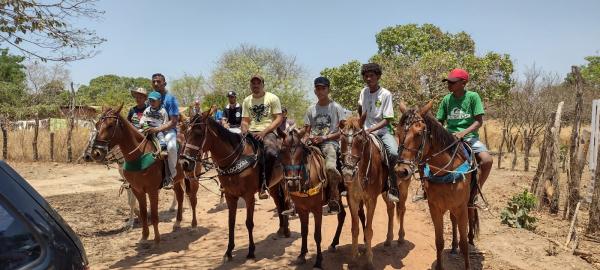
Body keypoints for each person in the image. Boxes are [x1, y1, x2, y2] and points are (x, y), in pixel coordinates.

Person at [414, 68, 493, 207]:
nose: (449, 85)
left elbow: (478, 122)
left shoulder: (473, 97)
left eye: (452, 82)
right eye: (448, 82)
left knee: (487, 160)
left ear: (463, 83)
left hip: (469, 138)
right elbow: (440, 121)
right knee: (423, 156)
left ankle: (475, 192)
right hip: (448, 138)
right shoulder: (446, 99)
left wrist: (463, 132)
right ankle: (424, 188)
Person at [357, 63, 400, 203]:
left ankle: (393, 187)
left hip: (381, 131)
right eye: (366, 76)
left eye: (372, 76)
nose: (368, 78)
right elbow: (360, 109)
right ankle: (348, 184)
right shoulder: (363, 92)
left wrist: (371, 129)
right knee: (348, 148)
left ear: (378, 76)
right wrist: (361, 126)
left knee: (393, 152)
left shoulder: (386, 94)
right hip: (365, 130)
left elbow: (388, 119)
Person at [302, 76, 345, 214]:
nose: (320, 91)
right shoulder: (310, 109)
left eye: (323, 88)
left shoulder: (336, 107)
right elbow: (307, 131)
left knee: (331, 167)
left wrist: (324, 137)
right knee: (293, 161)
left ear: (328, 89)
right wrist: (306, 139)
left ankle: (334, 196)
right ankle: (293, 198)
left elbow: (342, 131)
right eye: (318, 88)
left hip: (330, 142)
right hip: (313, 142)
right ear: (315, 91)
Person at [241, 75, 283, 200]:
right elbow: (245, 120)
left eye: (258, 83)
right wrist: (245, 131)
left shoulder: (272, 98)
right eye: (253, 83)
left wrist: (264, 132)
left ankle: (265, 185)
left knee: (270, 153)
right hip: (251, 132)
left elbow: (279, 118)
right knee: (234, 150)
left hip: (268, 132)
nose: (255, 85)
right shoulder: (247, 100)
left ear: (263, 84)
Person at [145, 73, 179, 190]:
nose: (155, 83)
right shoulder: (150, 98)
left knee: (171, 147)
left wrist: (158, 129)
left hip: (168, 131)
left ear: (164, 83)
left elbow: (174, 121)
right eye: (153, 81)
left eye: (158, 81)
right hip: (151, 129)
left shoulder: (171, 99)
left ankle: (171, 175)